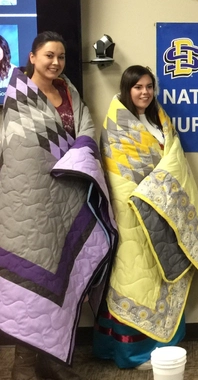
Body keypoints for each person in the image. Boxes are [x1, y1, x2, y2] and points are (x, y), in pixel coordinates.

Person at [0, 31, 116, 380]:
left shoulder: (68, 91)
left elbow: (85, 125)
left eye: (61, 57)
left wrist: (79, 151)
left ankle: (51, 361)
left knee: (62, 272)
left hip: (67, 200)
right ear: (32, 58)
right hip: (29, 205)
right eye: (49, 55)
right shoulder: (16, 99)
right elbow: (16, 149)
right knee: (30, 278)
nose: (56, 62)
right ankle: (23, 365)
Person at [93, 65, 198, 369]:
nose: (145, 92)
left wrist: (158, 190)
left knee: (162, 272)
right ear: (127, 89)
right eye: (138, 87)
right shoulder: (116, 126)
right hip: (132, 211)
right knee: (134, 275)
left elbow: (174, 159)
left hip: (165, 209)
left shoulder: (160, 120)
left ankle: (162, 346)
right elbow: (115, 172)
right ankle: (131, 353)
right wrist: (142, 196)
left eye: (149, 86)